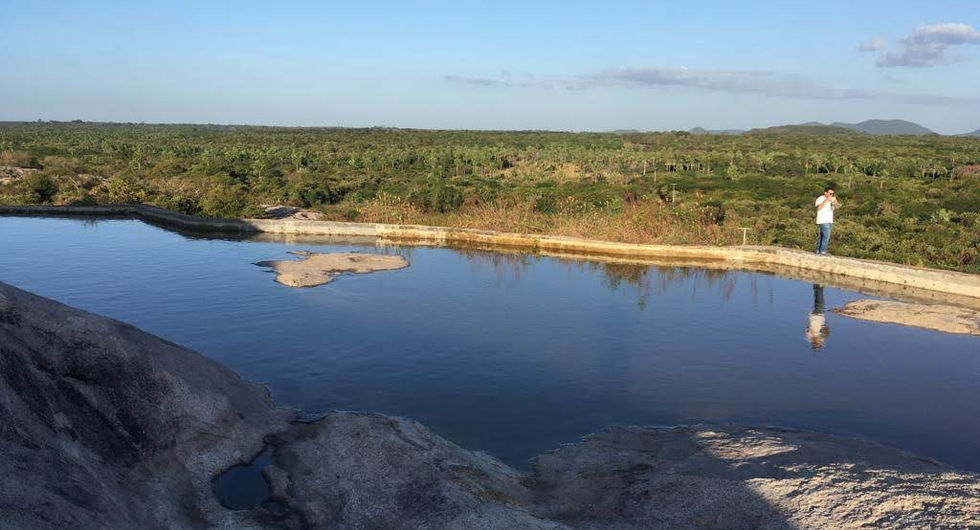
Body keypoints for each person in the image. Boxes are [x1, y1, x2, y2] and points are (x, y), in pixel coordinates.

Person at [814, 186, 840, 255]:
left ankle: (818, 250)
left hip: (829, 220)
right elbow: (818, 208)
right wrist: (826, 201)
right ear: (825, 192)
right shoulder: (820, 198)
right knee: (826, 236)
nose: (831, 195)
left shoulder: (832, 199)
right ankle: (823, 251)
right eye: (830, 193)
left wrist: (835, 202)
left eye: (832, 194)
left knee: (822, 236)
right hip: (823, 220)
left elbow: (836, 208)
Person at [805, 284, 830, 350]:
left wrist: (815, 334)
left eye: (818, 344)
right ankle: (817, 285)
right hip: (816, 315)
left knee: (820, 299)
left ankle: (818, 285)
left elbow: (827, 329)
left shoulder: (810, 336)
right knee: (818, 298)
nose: (820, 342)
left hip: (818, 315)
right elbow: (827, 329)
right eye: (819, 344)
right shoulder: (815, 337)